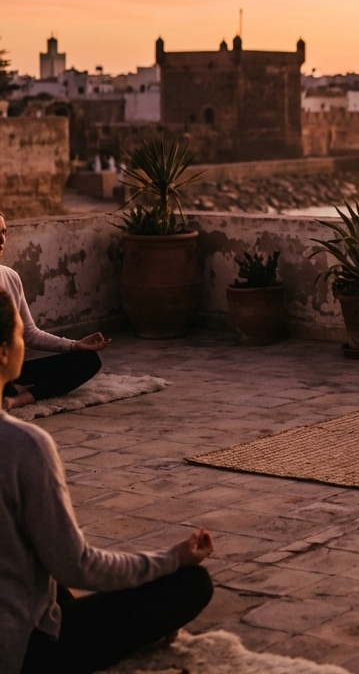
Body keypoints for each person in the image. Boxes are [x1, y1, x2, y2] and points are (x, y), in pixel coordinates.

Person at [0, 288, 215, 674]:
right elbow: (76, 566)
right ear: (4, 350)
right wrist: (172, 559)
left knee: (36, 559)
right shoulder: (23, 446)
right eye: (17, 335)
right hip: (21, 654)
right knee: (191, 584)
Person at [0, 211, 109, 410]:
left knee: (88, 360)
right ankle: (12, 389)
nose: (1, 240)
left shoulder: (10, 277)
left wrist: (75, 345)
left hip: (10, 369)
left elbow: (30, 334)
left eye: (4, 232)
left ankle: (21, 397)